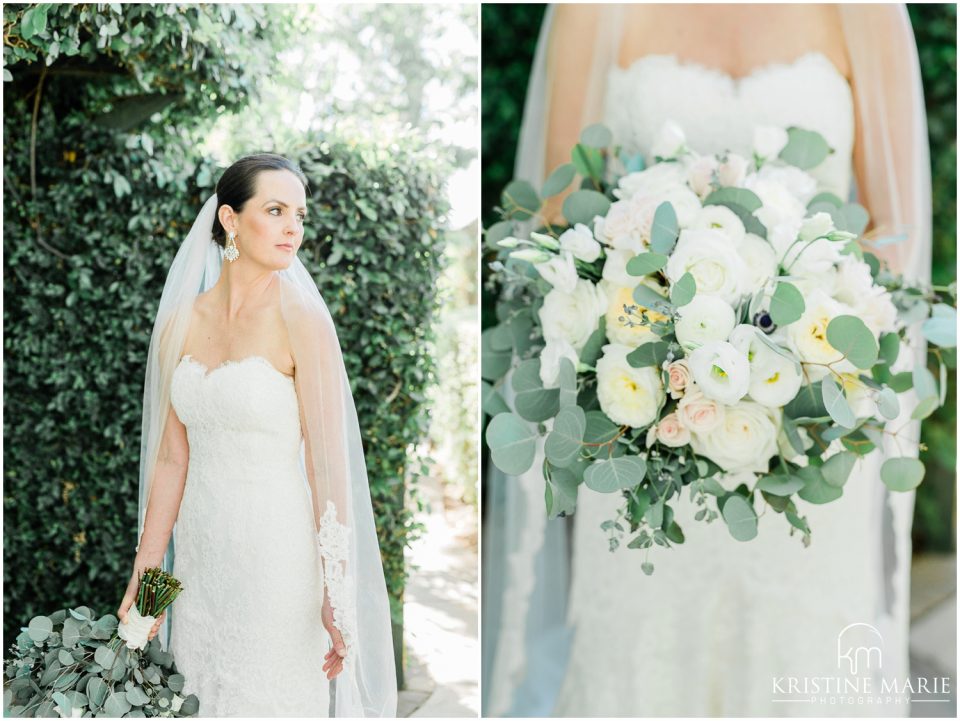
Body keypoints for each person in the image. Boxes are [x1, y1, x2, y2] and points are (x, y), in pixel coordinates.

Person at [483, 4, 931, 717]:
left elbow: (896, 234)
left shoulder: (866, 12)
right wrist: (659, 330)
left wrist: (803, 326)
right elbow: (557, 217)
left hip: (808, 417)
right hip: (644, 417)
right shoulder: (589, 11)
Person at [117, 154, 397, 717]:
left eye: (300, 213)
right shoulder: (181, 322)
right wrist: (147, 581)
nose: (294, 226)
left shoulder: (304, 320)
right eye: (275, 210)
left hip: (278, 563)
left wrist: (335, 592)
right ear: (230, 219)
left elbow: (326, 463)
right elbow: (172, 460)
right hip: (199, 565)